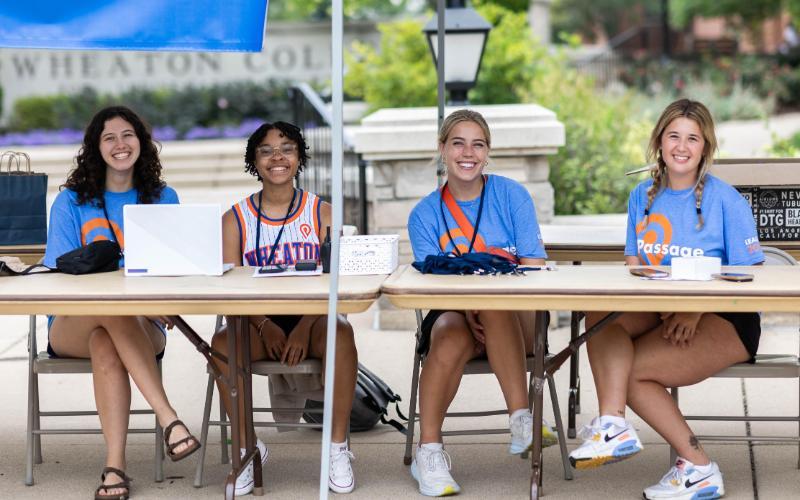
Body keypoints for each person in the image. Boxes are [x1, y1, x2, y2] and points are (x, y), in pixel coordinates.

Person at [569, 99, 764, 500]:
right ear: (659, 141)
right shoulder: (641, 195)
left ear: (705, 147)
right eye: (673, 135)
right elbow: (634, 264)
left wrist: (694, 308)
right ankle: (612, 424)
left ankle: (699, 467)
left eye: (693, 138)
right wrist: (666, 305)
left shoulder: (727, 200)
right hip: (659, 311)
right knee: (599, 313)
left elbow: (752, 276)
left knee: (632, 373)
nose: (682, 145)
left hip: (725, 317)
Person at [43, 105, 201, 500]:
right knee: (109, 311)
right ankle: (169, 418)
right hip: (71, 323)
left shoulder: (163, 198)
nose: (120, 144)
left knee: (106, 342)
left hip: (145, 324)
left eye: (128, 134)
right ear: (95, 147)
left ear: (141, 142)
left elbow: (175, 272)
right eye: (109, 137)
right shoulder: (71, 203)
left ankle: (115, 467)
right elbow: (58, 280)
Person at [406, 109, 556, 497]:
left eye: (478, 143)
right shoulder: (424, 214)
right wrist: (469, 306)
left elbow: (534, 268)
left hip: (516, 314)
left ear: (488, 152)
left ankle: (521, 419)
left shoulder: (511, 195)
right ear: (442, 149)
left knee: (495, 299)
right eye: (458, 142)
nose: (468, 152)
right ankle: (431, 453)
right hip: (454, 314)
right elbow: (429, 285)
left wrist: (483, 301)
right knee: (449, 335)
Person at [210, 121, 359, 496]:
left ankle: (337, 447)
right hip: (259, 321)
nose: (277, 157)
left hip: (314, 317)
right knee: (221, 346)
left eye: (287, 148)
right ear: (254, 161)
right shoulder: (235, 219)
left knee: (342, 334)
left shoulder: (322, 212)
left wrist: (305, 325)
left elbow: (334, 283)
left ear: (299, 157)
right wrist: (264, 326)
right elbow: (229, 290)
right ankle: (247, 448)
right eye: (266, 150)